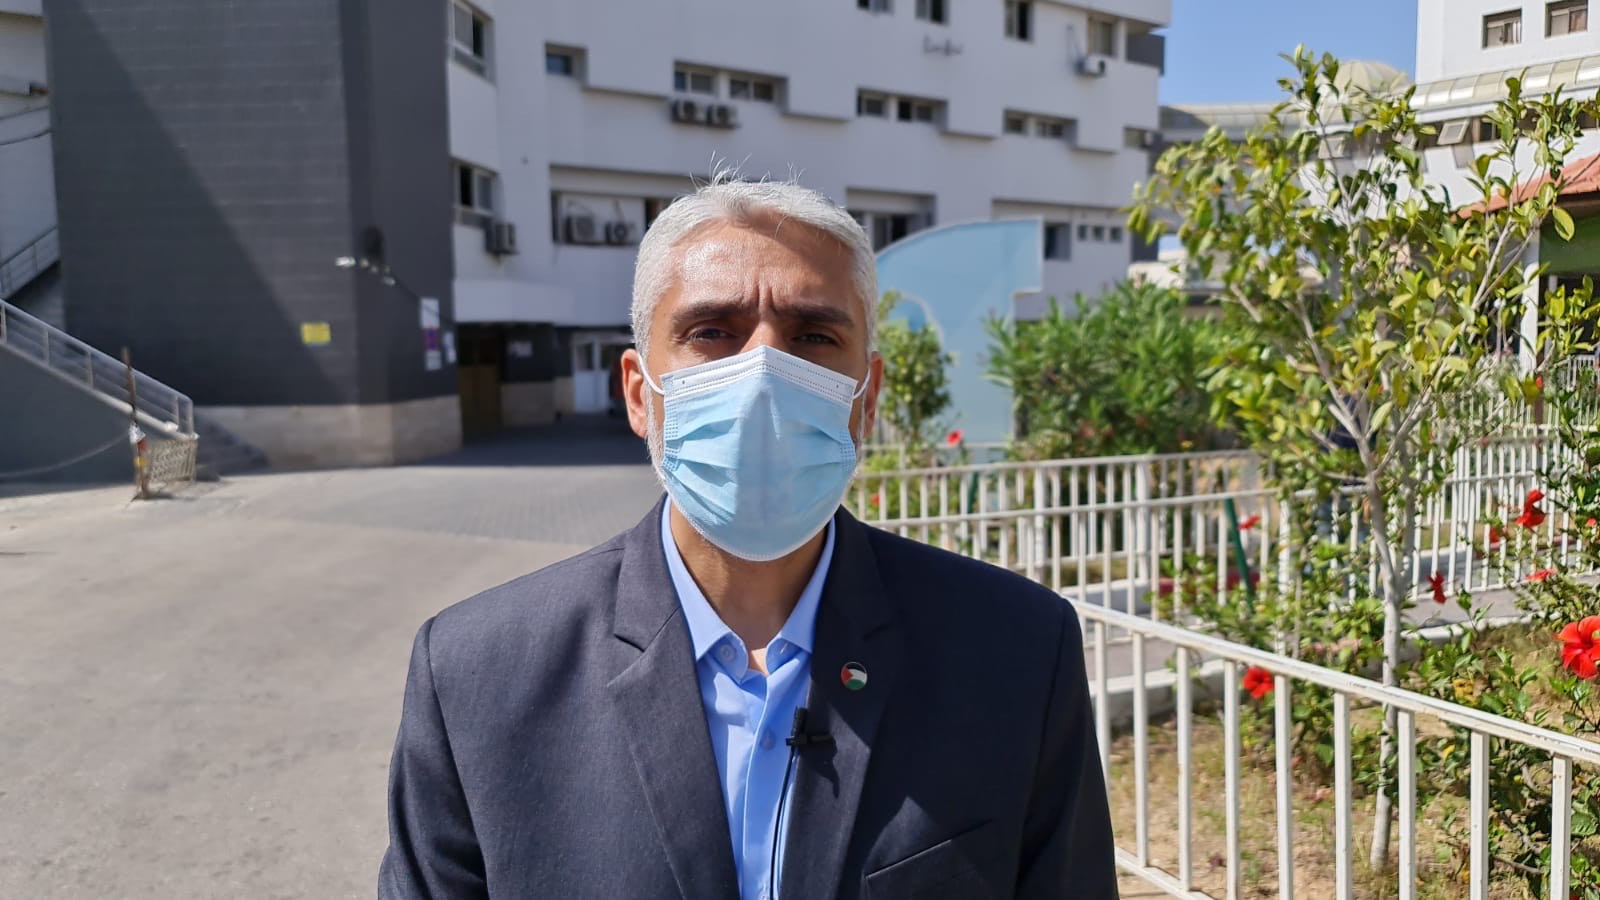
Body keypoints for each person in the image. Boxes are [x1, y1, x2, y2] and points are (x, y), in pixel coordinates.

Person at [377, 175, 1118, 899]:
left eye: (813, 336)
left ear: (867, 399)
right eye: (711, 332)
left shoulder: (1016, 652)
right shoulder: (478, 676)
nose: (764, 373)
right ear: (639, 393)